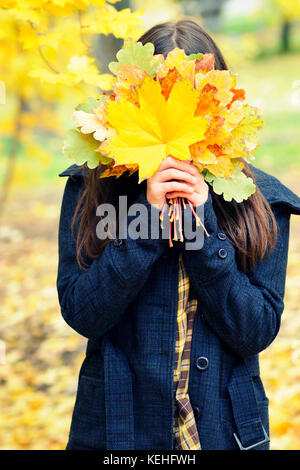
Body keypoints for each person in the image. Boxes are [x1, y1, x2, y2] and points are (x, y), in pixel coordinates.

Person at [57, 19, 300, 450]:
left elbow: (256, 331)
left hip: (223, 433)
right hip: (116, 432)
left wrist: (203, 226)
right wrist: (146, 222)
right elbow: (82, 312)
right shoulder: (92, 187)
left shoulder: (261, 202)